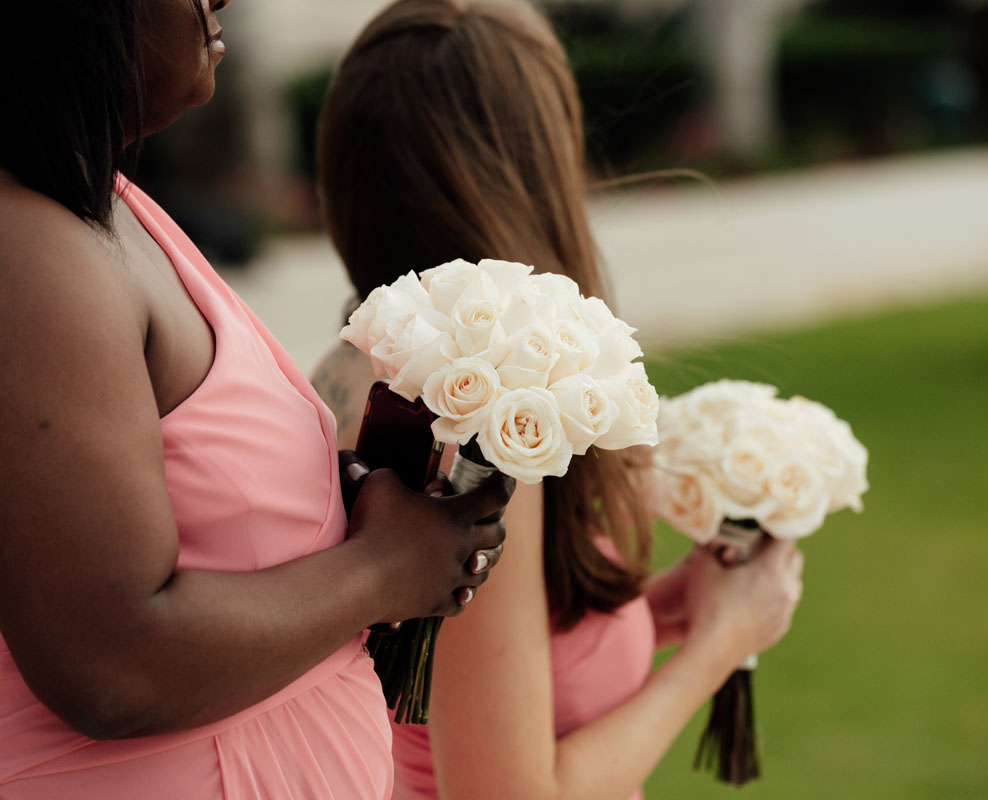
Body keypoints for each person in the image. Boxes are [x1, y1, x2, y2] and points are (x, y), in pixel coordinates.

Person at [0, 2, 512, 797]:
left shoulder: (98, 205)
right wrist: (385, 567)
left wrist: (339, 501)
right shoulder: (28, 255)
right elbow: (110, 662)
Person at [311, 2, 804, 798]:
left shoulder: (340, 375)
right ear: (534, 173)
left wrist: (654, 613)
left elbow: (447, 677)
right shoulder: (488, 424)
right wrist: (716, 649)